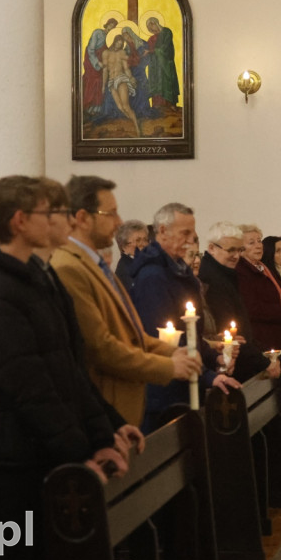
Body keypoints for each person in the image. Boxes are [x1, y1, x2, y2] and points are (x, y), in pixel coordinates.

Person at [0, 176, 128, 560]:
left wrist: (104, 436)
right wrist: (79, 455)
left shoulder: (39, 282)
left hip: (39, 456)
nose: (59, 218)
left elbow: (70, 372)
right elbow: (30, 389)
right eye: (49, 212)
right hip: (13, 465)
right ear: (20, 221)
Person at [51, 176, 199, 426]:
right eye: (110, 213)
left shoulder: (93, 263)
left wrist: (174, 351)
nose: (119, 222)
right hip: (103, 409)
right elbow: (101, 347)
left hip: (121, 407)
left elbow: (132, 335)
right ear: (82, 218)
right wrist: (168, 366)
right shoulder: (68, 267)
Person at [130, 203, 239, 432]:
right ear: (162, 231)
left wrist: (215, 357)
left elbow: (192, 335)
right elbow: (162, 340)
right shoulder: (153, 276)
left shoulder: (179, 269)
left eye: (193, 234)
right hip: (165, 393)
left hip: (186, 385)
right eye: (185, 233)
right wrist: (208, 376)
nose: (191, 240)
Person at [198, 222, 277, 382]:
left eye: (239, 250)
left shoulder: (225, 274)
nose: (236, 256)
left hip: (240, 356)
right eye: (231, 250)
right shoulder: (212, 279)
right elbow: (228, 328)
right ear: (212, 248)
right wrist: (263, 362)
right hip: (227, 363)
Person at [237, 224, 281, 352]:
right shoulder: (242, 272)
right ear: (240, 249)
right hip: (261, 338)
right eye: (251, 243)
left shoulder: (263, 268)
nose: (258, 246)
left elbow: (277, 294)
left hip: (276, 335)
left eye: (259, 241)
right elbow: (253, 308)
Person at [101, 35, 142, 136]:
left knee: (126, 107)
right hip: (111, 81)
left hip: (121, 79)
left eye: (121, 43)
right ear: (114, 41)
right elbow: (105, 70)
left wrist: (130, 77)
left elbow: (126, 68)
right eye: (118, 42)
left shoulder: (122, 53)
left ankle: (137, 128)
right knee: (120, 108)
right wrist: (103, 85)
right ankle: (135, 121)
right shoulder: (106, 53)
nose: (119, 45)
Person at [147, 17, 180, 110]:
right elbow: (147, 48)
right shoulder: (152, 38)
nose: (152, 31)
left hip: (166, 62)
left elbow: (165, 47)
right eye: (150, 30)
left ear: (155, 23)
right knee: (157, 82)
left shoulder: (166, 32)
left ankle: (171, 104)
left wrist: (153, 51)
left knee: (168, 82)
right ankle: (158, 104)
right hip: (156, 65)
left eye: (152, 28)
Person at [114, 219, 148, 291]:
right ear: (124, 246)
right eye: (138, 240)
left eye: (145, 239)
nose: (144, 244)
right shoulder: (125, 270)